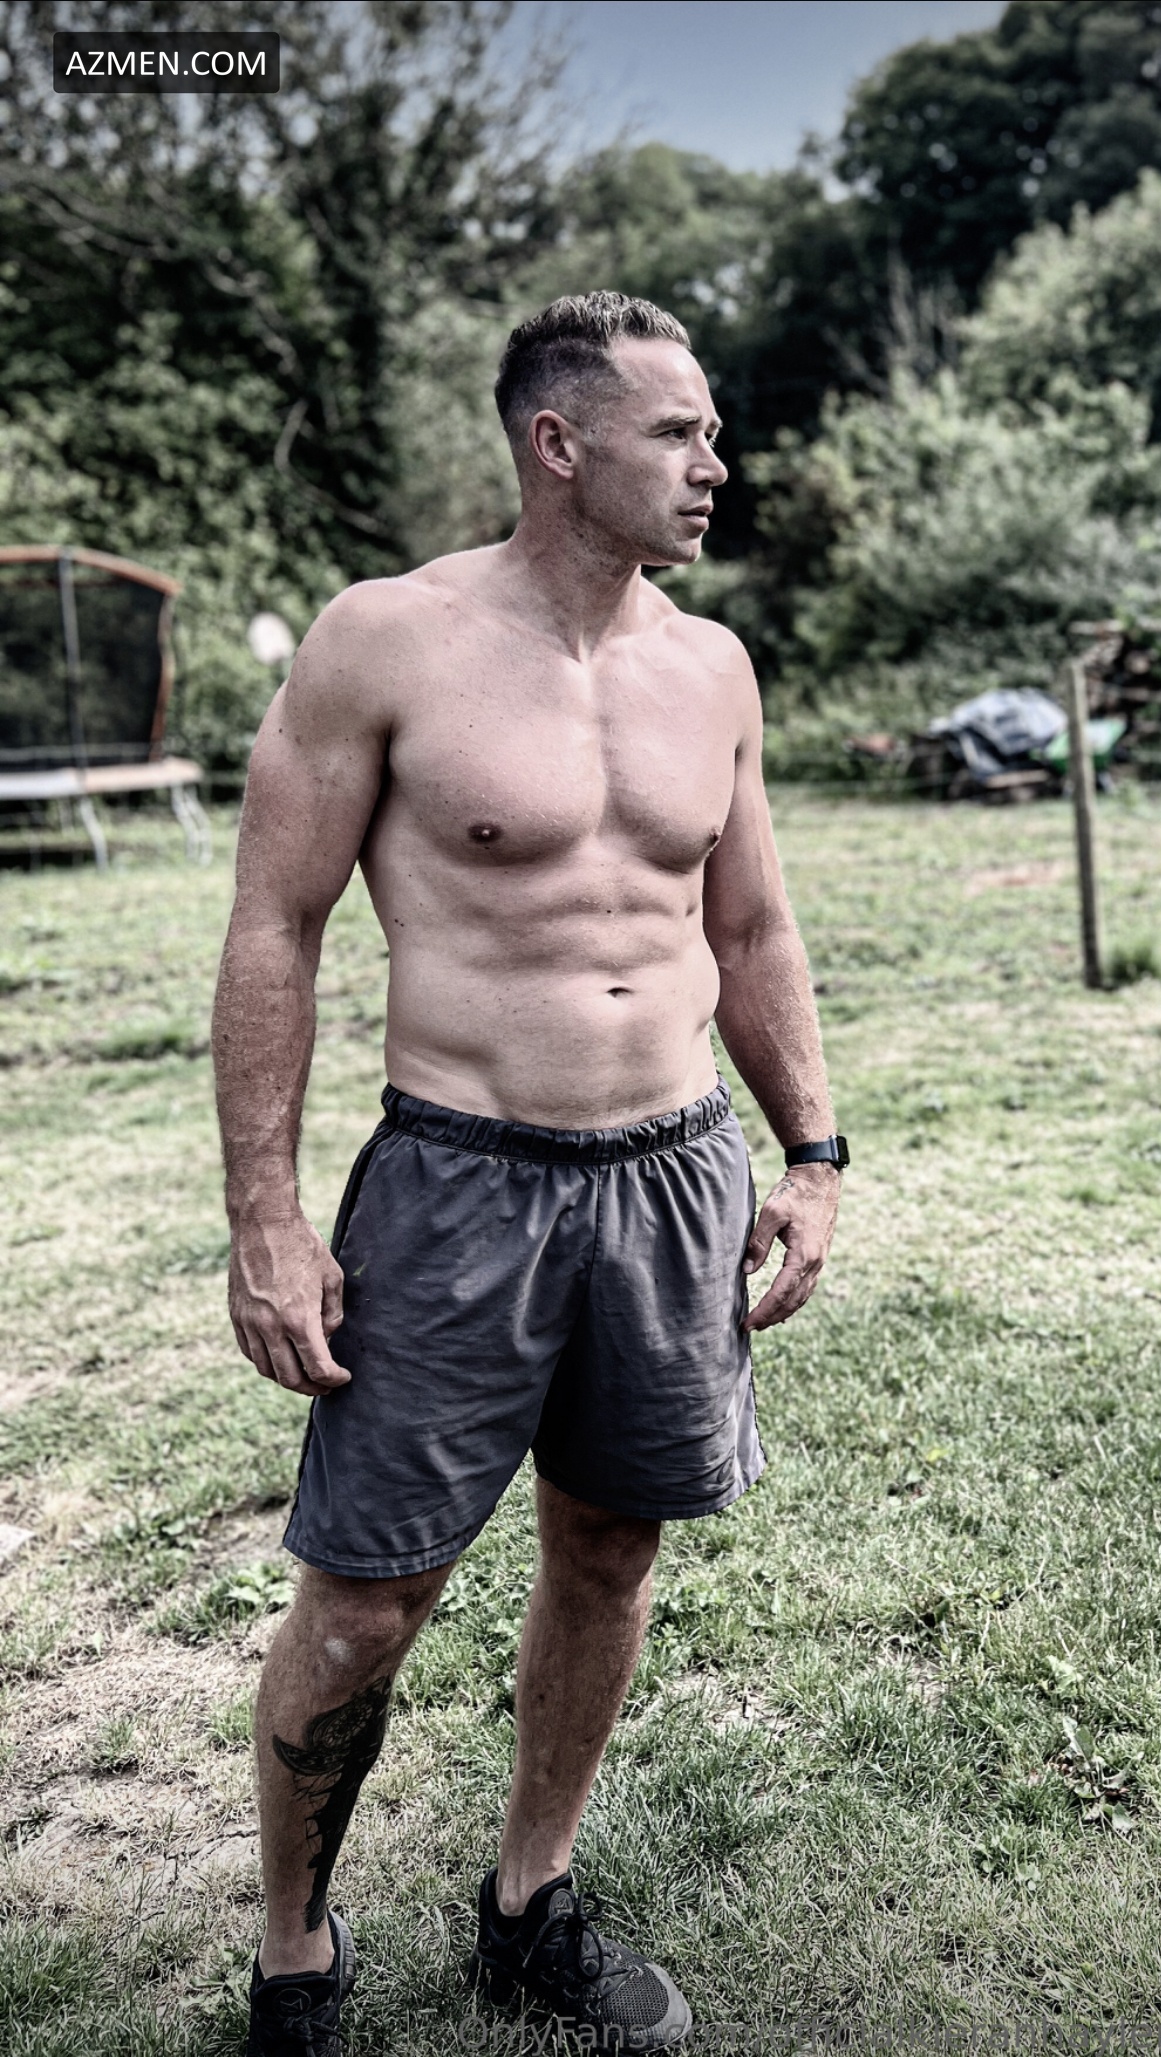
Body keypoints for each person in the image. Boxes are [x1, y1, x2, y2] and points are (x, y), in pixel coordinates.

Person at [213, 291, 843, 2057]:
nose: (714, 463)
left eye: (712, 431)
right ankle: (294, 1954)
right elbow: (273, 927)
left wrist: (812, 1150)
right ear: (558, 444)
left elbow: (752, 925)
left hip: (672, 1175)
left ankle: (528, 1901)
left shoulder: (712, 667)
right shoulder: (387, 639)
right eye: (678, 432)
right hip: (458, 1181)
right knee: (366, 1601)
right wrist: (266, 1214)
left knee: (611, 1552)